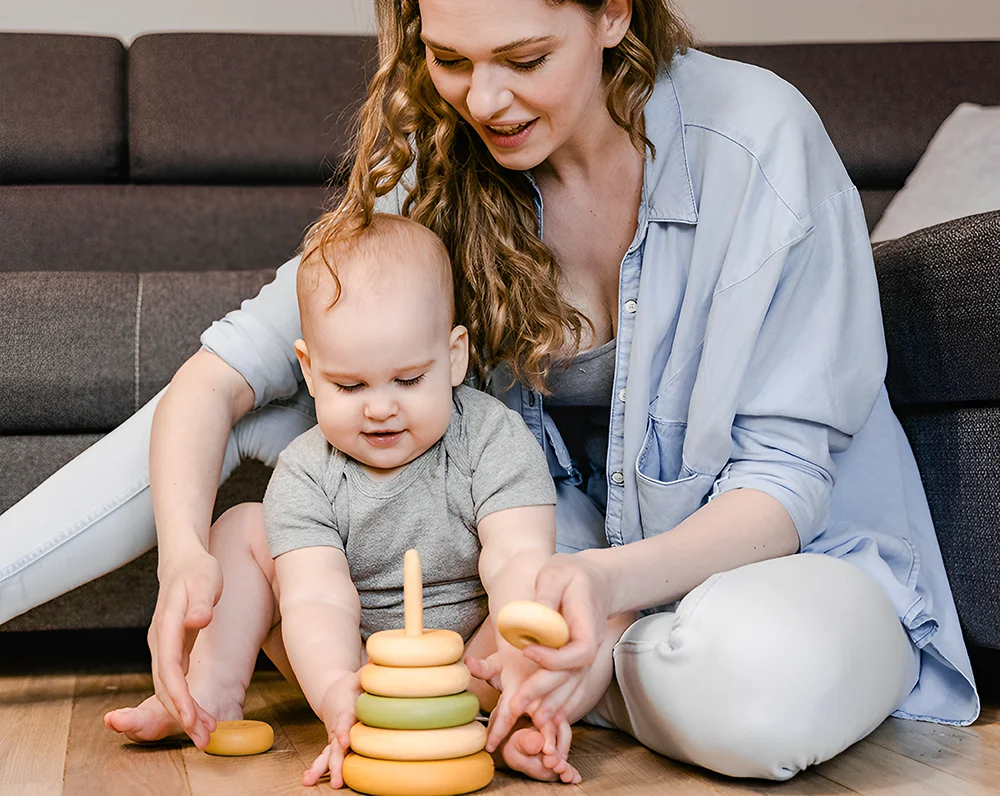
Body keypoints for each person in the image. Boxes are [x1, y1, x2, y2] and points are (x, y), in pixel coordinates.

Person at [0, 0, 980, 782]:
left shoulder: (758, 141)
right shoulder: (440, 152)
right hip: (560, 565)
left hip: (787, 559)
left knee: (746, 695)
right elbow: (224, 371)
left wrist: (600, 592)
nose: (485, 99)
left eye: (522, 57)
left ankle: (520, 674)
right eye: (450, 58)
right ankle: (520, 676)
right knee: (315, 383)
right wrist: (184, 555)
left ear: (612, 15)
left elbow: (781, 491)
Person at [104, 214, 603, 785]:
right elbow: (316, 598)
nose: (380, 407)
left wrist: (518, 658)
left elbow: (517, 560)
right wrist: (339, 689)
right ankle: (210, 692)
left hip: (472, 665)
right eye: (350, 386)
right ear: (310, 372)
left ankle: (512, 718)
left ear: (456, 356)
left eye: (410, 380)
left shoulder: (493, 439)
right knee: (242, 528)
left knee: (564, 595)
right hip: (356, 669)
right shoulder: (307, 473)